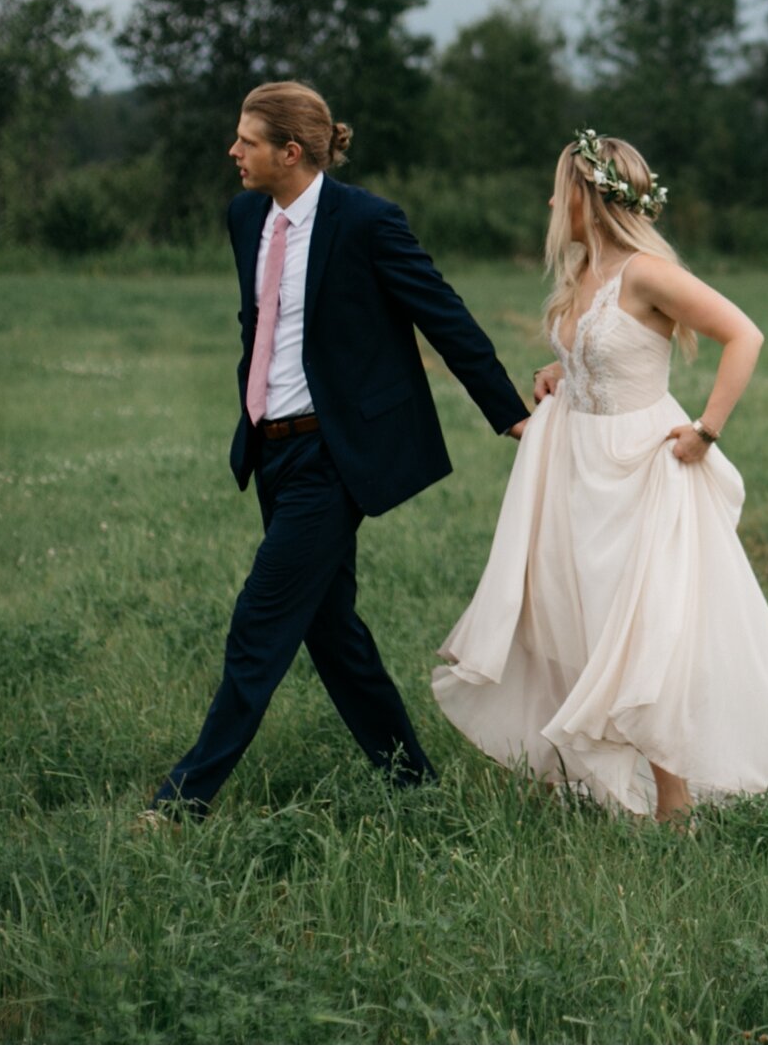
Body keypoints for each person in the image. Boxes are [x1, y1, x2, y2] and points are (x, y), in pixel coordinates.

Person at [142, 82, 530, 825]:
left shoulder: (367, 222)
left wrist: (510, 416)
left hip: (333, 456)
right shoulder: (245, 214)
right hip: (271, 452)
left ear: (290, 152)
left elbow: (442, 315)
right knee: (333, 634)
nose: (233, 153)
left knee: (260, 623)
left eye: (246, 142)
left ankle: (181, 802)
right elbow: (261, 324)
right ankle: (415, 786)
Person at [431, 130, 768, 822]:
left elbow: (745, 334)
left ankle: (673, 802)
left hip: (639, 465)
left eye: (562, 188)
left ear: (588, 196)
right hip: (568, 462)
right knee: (561, 612)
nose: (552, 199)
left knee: (643, 628)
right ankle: (570, 770)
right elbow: (605, 351)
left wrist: (706, 430)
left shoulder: (645, 272)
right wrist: (564, 370)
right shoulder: (582, 273)